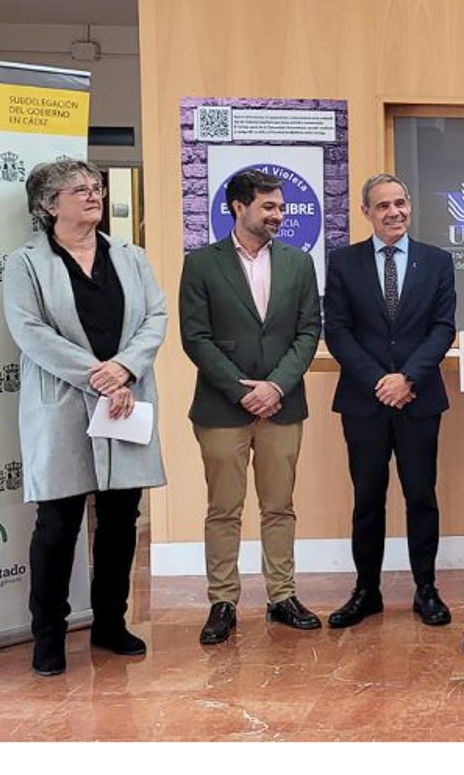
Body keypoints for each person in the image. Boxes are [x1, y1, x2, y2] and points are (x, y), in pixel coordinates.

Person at [3, 159, 167, 676]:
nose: (93, 195)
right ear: (49, 205)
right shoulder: (25, 263)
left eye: (95, 187)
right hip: (64, 403)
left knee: (122, 520)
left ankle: (110, 624)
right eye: (79, 190)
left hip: (125, 399)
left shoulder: (131, 256)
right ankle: (48, 635)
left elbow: (155, 317)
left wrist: (124, 369)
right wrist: (97, 375)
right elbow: (29, 331)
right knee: (57, 524)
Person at [179, 168, 322, 645]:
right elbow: (194, 338)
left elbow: (308, 333)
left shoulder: (299, 264)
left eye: (281, 206)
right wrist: (242, 391)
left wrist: (276, 386)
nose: (279, 215)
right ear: (239, 208)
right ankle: (222, 602)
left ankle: (282, 596)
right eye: (269, 207)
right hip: (222, 409)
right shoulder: (201, 263)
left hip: (283, 406)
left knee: (279, 507)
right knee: (224, 509)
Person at [323, 173, 457, 627]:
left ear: (410, 207)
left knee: (422, 496)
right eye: (383, 206)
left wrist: (407, 378)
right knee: (367, 499)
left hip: (419, 399)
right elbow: (337, 330)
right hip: (365, 402)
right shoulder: (344, 262)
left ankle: (426, 589)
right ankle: (367, 590)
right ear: (366, 212)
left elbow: (443, 328)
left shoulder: (437, 261)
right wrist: (381, 380)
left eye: (400, 203)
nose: (394, 212)